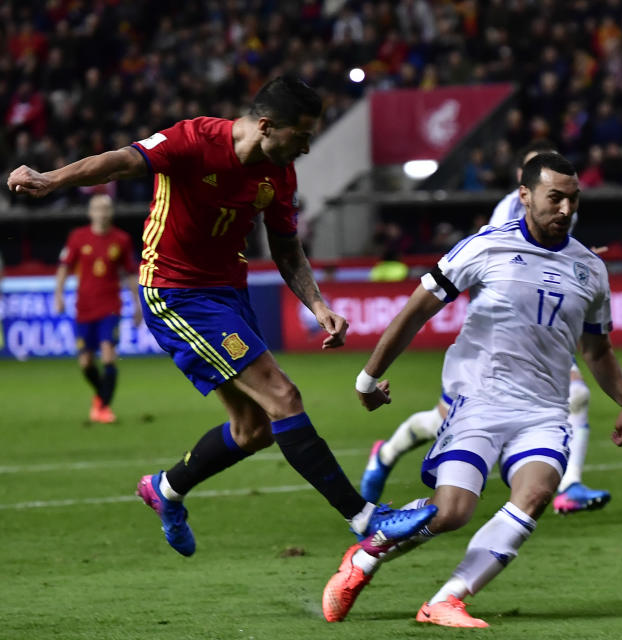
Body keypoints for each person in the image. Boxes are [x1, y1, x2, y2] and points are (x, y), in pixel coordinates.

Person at [6, 75, 436, 558]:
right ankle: (366, 518)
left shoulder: (279, 174)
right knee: (282, 396)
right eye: (302, 135)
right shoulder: (193, 140)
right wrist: (52, 178)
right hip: (177, 294)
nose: (308, 147)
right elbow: (121, 161)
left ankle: (165, 489)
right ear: (268, 126)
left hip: (228, 294)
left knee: (253, 429)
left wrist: (317, 306)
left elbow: (288, 250)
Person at [322, 152, 622, 627]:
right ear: (525, 196)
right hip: (478, 399)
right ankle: (365, 557)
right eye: (554, 198)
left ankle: (447, 599)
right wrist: (368, 377)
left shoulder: (590, 270)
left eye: (572, 200)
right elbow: (417, 311)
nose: (565, 210)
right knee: (452, 512)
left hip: (544, 410)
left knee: (534, 495)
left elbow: (596, 350)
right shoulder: (484, 248)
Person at [361, 140, 612, 515]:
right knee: (444, 420)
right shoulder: (506, 217)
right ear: (523, 185)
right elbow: (496, 268)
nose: (562, 202)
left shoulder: (561, 208)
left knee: (574, 396)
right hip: (497, 334)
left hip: (536, 332)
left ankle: (569, 485)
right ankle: (387, 454)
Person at [54, 194, 140, 423]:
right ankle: (102, 396)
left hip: (111, 306)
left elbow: (130, 274)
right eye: (98, 208)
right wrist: (58, 295)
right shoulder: (78, 237)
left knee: (109, 355)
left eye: (106, 208)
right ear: (90, 212)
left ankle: (103, 407)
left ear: (111, 212)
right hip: (84, 307)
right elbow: (64, 267)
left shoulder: (121, 239)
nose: (102, 212)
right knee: (86, 362)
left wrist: (138, 304)